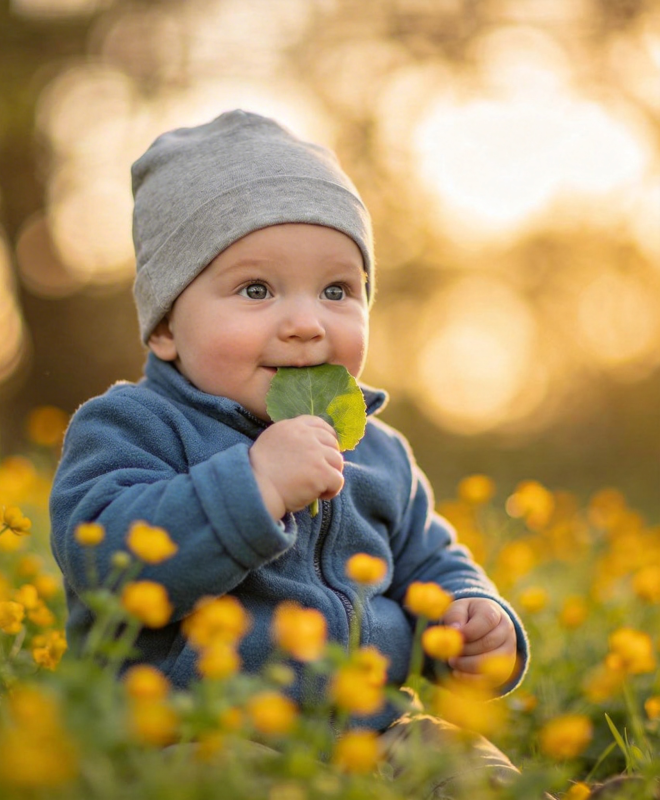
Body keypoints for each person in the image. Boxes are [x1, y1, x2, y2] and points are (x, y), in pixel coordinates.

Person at [50, 109, 530, 796]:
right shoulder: (131, 426)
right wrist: (255, 485)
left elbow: (432, 559)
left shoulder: (379, 450)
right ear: (163, 328)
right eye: (256, 289)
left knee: (461, 762)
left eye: (337, 291)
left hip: (372, 729)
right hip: (193, 727)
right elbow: (108, 566)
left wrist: (473, 616)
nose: (306, 324)